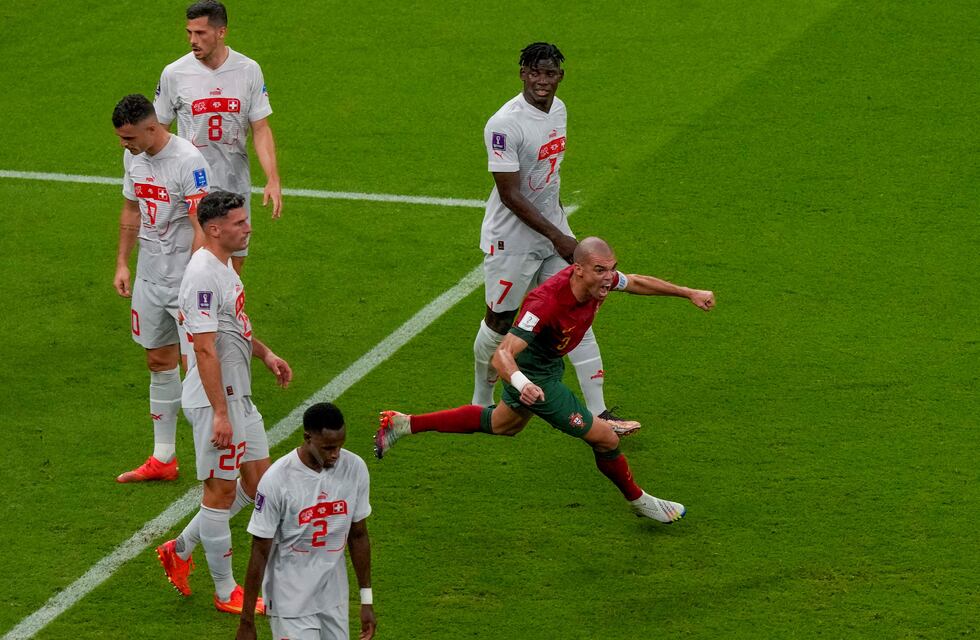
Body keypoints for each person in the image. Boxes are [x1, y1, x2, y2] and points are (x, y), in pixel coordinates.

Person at [378, 237, 715, 522]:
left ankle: (403, 424)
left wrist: (688, 292)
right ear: (578, 269)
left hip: (549, 365)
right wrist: (524, 384)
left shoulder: (601, 281)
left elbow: (637, 281)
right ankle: (640, 501)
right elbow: (502, 354)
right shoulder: (546, 303)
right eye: (601, 270)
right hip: (535, 376)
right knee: (605, 439)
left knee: (502, 424)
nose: (609, 278)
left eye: (612, 268)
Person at [473, 42, 633, 432]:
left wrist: (560, 225)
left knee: (579, 310)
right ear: (522, 74)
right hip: (512, 238)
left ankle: (600, 413)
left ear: (560, 76)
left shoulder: (559, 110)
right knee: (500, 320)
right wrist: (558, 236)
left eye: (550, 73)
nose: (542, 81)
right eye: (534, 72)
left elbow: (550, 174)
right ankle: (480, 398)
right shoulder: (504, 124)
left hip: (554, 232)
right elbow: (510, 194)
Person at [155, 190, 292, 615]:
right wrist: (219, 413)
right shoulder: (201, 275)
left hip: (239, 394)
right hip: (218, 399)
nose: (247, 227)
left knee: (258, 486)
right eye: (239, 222)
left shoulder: (225, 267)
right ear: (214, 229)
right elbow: (204, 348)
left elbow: (235, 327)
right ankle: (225, 591)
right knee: (220, 490)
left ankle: (179, 548)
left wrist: (266, 354)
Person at [112, 93, 210, 483]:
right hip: (149, 278)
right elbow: (131, 209)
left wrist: (194, 280)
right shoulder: (132, 158)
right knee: (158, 361)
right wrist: (122, 261)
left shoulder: (188, 160)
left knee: (201, 370)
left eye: (129, 137)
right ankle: (164, 458)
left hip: (185, 280)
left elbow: (201, 224)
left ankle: (216, 463)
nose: (124, 144)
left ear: (152, 128)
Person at [154, 0, 282, 274]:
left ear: (221, 32)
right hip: (191, 184)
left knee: (234, 265)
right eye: (189, 32)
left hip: (235, 181)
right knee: (196, 264)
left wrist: (272, 177)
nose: (192, 40)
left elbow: (261, 128)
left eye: (200, 33)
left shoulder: (248, 70)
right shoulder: (174, 73)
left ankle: (228, 314)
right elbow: (159, 132)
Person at [236, 402, 376, 640]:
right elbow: (260, 550)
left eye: (340, 446)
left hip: (334, 598)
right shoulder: (277, 480)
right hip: (289, 602)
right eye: (328, 447)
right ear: (308, 438)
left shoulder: (355, 469)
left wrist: (366, 600)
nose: (335, 454)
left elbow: (359, 535)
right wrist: (247, 620)